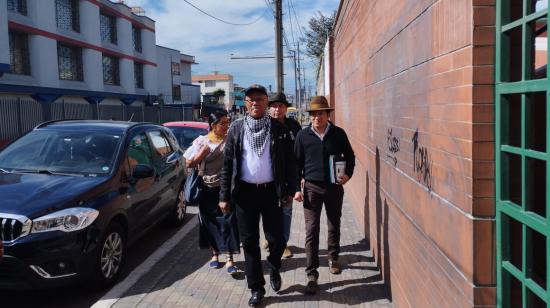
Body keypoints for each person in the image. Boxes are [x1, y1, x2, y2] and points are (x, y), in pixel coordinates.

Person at [219, 84, 298, 307]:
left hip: (271, 192)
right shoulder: (236, 128)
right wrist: (224, 195)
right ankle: (256, 288)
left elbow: (290, 162)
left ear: (266, 103)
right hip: (244, 193)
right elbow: (227, 165)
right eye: (251, 99)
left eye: (260, 99)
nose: (255, 103)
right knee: (250, 242)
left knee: (277, 238)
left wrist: (290, 191)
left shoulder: (278, 128)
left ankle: (274, 267)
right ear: (245, 103)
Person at [294, 96, 356, 295]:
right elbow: (296, 164)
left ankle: (333, 258)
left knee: (333, 223)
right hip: (311, 188)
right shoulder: (302, 136)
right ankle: (312, 274)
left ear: (328, 114)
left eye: (320, 113)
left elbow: (350, 156)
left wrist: (347, 175)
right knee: (311, 230)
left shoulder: (338, 134)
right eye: (313, 114)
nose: (316, 117)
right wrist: (296, 187)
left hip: (334, 188)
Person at [184, 110, 240, 275]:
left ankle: (230, 257)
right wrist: (201, 154)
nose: (226, 126)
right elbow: (188, 163)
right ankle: (215, 254)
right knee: (209, 223)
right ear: (213, 125)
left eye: (227, 122)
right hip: (206, 188)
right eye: (222, 123)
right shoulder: (201, 141)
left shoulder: (230, 140)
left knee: (228, 222)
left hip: (226, 189)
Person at [263, 92, 302, 259]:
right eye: (274, 106)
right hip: (268, 177)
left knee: (286, 211)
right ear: (269, 108)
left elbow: (301, 152)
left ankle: (283, 243)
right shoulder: (263, 126)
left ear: (286, 108)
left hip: (289, 176)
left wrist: (300, 177)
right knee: (269, 211)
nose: (277, 109)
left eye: (281, 106)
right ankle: (270, 238)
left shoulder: (294, 125)